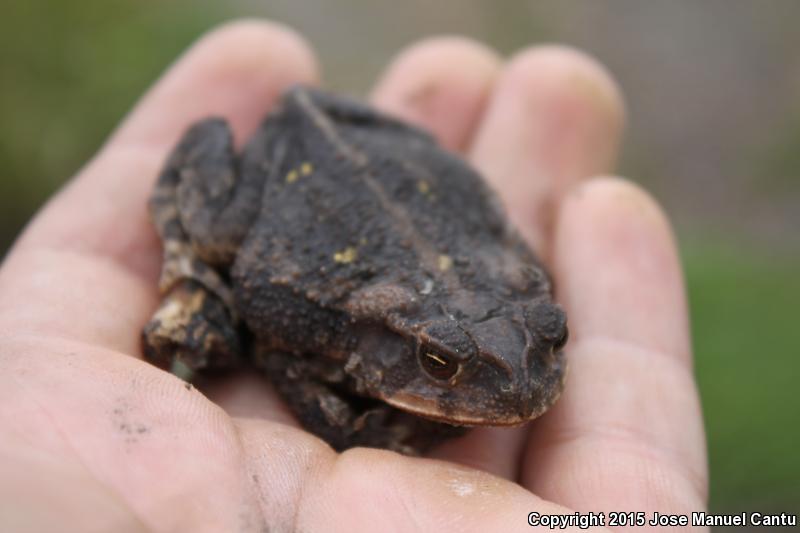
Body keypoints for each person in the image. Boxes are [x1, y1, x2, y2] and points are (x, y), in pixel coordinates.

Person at [0, 20, 707, 532]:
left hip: (405, 173)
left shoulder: (521, 278)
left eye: (550, 343)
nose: (522, 382)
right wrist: (350, 428)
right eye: (440, 362)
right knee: (216, 234)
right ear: (403, 346)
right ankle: (190, 238)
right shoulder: (339, 324)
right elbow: (266, 310)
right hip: (298, 179)